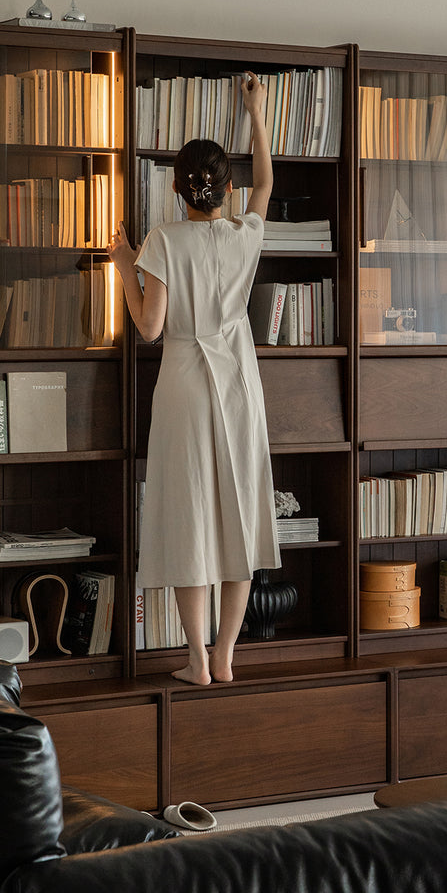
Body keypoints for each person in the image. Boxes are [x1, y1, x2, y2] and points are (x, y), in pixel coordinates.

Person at [108, 71, 279, 685]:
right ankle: (229, 655)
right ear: (224, 189)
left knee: (190, 518)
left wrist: (126, 267)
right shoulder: (244, 234)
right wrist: (255, 110)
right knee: (238, 517)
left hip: (182, 378)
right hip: (237, 378)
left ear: (177, 189)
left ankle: (197, 661)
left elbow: (148, 328)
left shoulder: (162, 239)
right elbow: (265, 181)